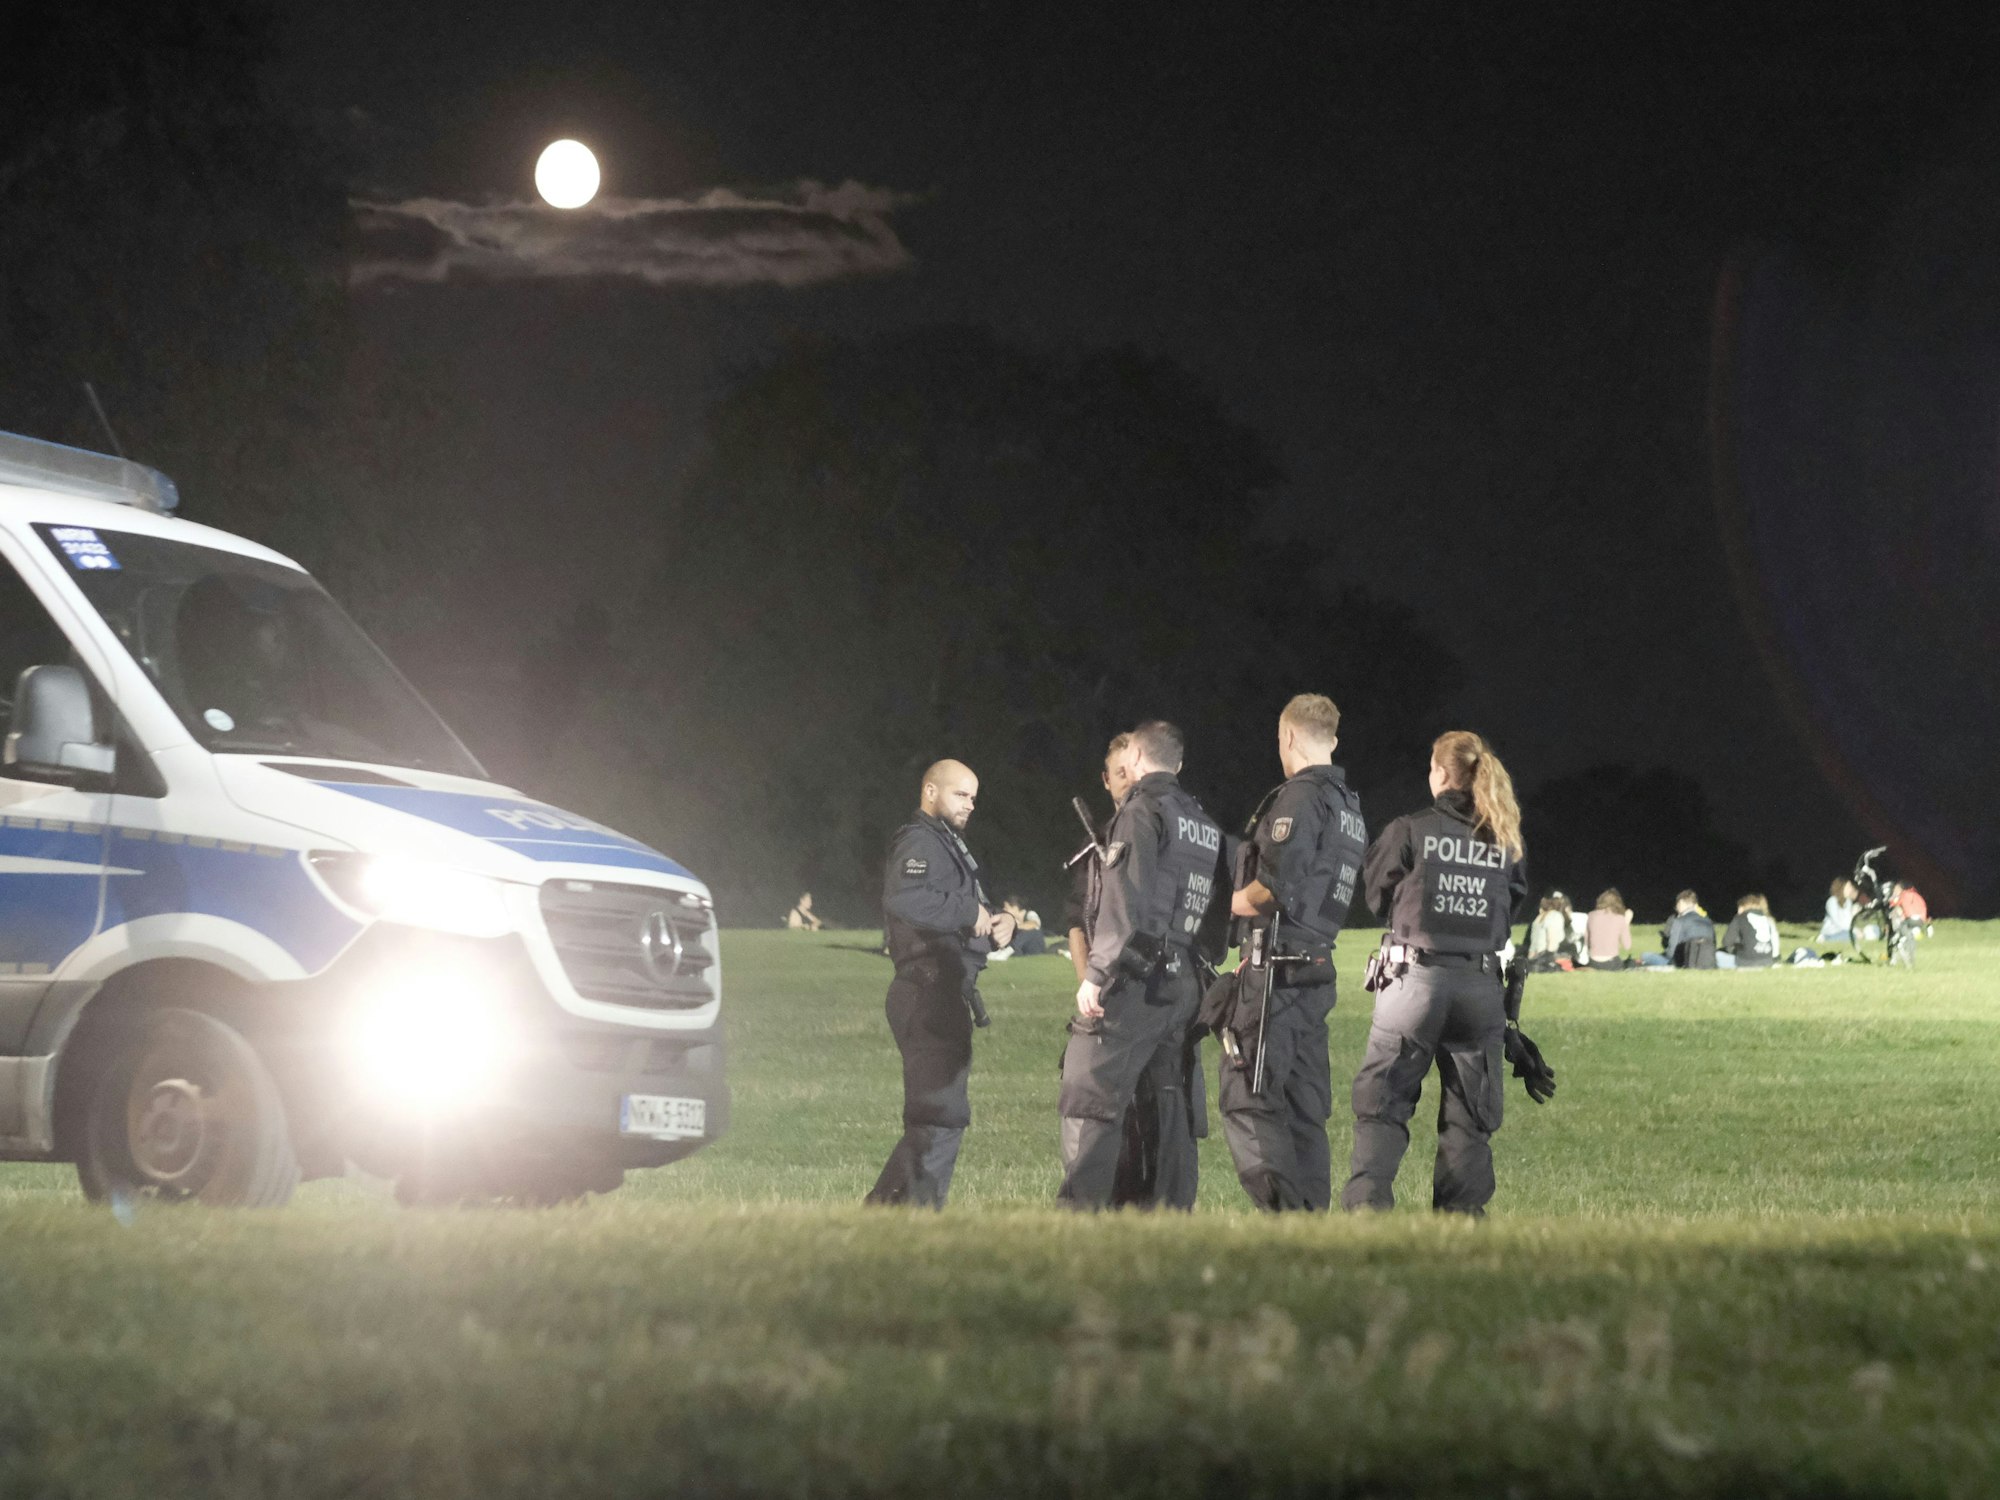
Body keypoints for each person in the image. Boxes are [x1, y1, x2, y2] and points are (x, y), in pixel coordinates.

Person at [1341, 730, 1529, 1216]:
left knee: (1382, 1107)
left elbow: (1376, 895)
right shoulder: (1504, 838)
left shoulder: (1410, 829)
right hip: (1480, 989)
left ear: (1441, 774)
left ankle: (1367, 1211)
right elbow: (1511, 905)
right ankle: (1460, 1226)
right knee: (1469, 1120)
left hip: (1413, 983)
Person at [1206, 693, 1366, 1212]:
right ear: (1332, 739)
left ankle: (1287, 1220)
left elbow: (1273, 888)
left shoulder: (1301, 797)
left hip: (1276, 972)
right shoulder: (1348, 807)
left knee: (1246, 1097)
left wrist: (1222, 906)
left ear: (1289, 736)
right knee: (1302, 1111)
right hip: (1313, 968)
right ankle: (1311, 1230)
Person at [1057, 721, 1224, 1210]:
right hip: (1184, 980)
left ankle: (1078, 1217)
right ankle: (1168, 1216)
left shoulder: (1140, 811)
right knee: (1169, 1101)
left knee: (1090, 1090)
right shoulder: (1199, 820)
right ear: (1179, 762)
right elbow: (1217, 908)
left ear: (1133, 755)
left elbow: (1124, 904)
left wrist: (1097, 975)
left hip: (1139, 980)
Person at [865, 759, 1001, 1209]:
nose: (970, 805)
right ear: (930, 791)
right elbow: (905, 898)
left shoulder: (947, 844)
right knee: (939, 1117)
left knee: (937, 1118)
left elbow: (963, 910)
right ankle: (908, 1218)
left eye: (974, 797)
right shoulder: (921, 840)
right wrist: (968, 912)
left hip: (943, 991)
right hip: (927, 990)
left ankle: (888, 1217)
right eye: (961, 794)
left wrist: (1001, 923)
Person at [1652, 890, 1717, 968]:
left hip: (1682, 962)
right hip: (1707, 961)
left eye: (1677, 904)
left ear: (1681, 903)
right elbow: (1714, 944)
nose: (1676, 907)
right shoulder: (1708, 921)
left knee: (1646, 956)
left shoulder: (1679, 921)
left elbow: (1671, 952)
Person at [1719, 893, 1780, 968]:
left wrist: (1738, 946)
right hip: (1767, 960)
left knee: (1716, 955)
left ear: (1743, 907)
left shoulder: (1740, 918)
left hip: (1746, 961)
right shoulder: (1767, 919)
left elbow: (1726, 942)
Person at [1586, 888, 1634, 968]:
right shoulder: (1619, 918)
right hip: (1611, 963)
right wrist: (1626, 923)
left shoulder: (1591, 915)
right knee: (1631, 963)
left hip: (1592, 962)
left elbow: (1587, 943)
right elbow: (1627, 946)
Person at [1817, 878, 1858, 944]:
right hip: (1831, 933)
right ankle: (1824, 939)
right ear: (1841, 888)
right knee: (1852, 936)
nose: (1851, 889)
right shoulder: (1832, 901)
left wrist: (1853, 914)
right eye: (1848, 887)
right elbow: (1840, 922)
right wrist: (1854, 930)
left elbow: (1848, 921)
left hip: (1844, 931)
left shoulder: (1848, 902)